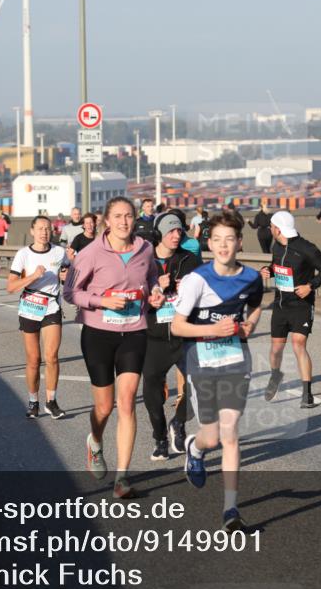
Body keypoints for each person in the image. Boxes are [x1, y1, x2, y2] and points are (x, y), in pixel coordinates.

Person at [63, 197, 163, 499]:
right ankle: (95, 440)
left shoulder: (145, 248)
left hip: (134, 331)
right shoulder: (90, 253)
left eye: (129, 216)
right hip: (98, 334)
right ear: (106, 220)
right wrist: (102, 301)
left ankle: (122, 478)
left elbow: (153, 277)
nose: (124, 222)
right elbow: (71, 293)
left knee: (128, 401)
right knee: (105, 407)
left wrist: (155, 293)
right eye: (117, 216)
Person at [173, 211, 264, 532]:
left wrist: (249, 324)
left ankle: (231, 510)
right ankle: (194, 448)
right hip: (201, 363)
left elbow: (255, 305)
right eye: (217, 240)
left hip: (236, 361)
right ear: (209, 244)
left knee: (231, 435)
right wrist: (213, 330)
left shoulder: (252, 278)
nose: (224, 246)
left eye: (230, 239)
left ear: (240, 242)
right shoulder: (198, 279)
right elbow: (177, 326)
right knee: (211, 437)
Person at [142, 213, 202, 461]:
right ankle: (160, 439)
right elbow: (131, 295)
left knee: (200, 387)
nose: (176, 235)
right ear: (159, 234)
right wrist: (153, 287)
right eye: (170, 231)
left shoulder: (189, 260)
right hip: (154, 336)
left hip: (183, 334)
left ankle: (178, 422)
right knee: (152, 391)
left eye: (179, 231)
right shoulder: (143, 262)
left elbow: (204, 292)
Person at [260, 211, 321, 409]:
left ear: (277, 229)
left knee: (298, 344)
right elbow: (278, 267)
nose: (270, 230)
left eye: (271, 227)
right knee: (276, 349)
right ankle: (275, 376)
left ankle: (307, 393)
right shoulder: (276, 247)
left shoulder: (306, 248)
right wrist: (268, 270)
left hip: (302, 305)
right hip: (281, 305)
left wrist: (311, 285)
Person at [7, 216, 70, 418]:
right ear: (32, 231)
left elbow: (71, 269)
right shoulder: (23, 255)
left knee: (51, 357)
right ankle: (33, 401)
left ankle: (51, 401)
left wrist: (67, 277)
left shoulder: (59, 252)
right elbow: (11, 287)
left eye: (48, 229)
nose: (44, 232)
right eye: (40, 228)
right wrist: (33, 276)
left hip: (51, 307)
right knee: (34, 359)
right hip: (29, 308)